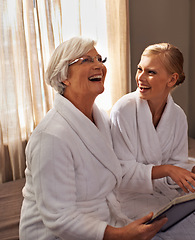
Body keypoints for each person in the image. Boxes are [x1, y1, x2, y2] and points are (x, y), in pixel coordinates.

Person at [19, 37, 167, 240]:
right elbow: (59, 217)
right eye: (86, 60)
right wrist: (120, 235)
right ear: (64, 77)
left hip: (102, 222)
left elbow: (121, 170)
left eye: (99, 59)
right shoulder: (50, 138)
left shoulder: (100, 120)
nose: (99, 65)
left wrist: (179, 171)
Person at [110, 43, 195, 239]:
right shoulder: (123, 110)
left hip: (163, 191)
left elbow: (175, 166)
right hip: (129, 194)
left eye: (150, 72)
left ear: (172, 79)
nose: (140, 78)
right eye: (139, 69)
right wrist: (168, 170)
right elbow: (122, 172)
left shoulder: (177, 116)